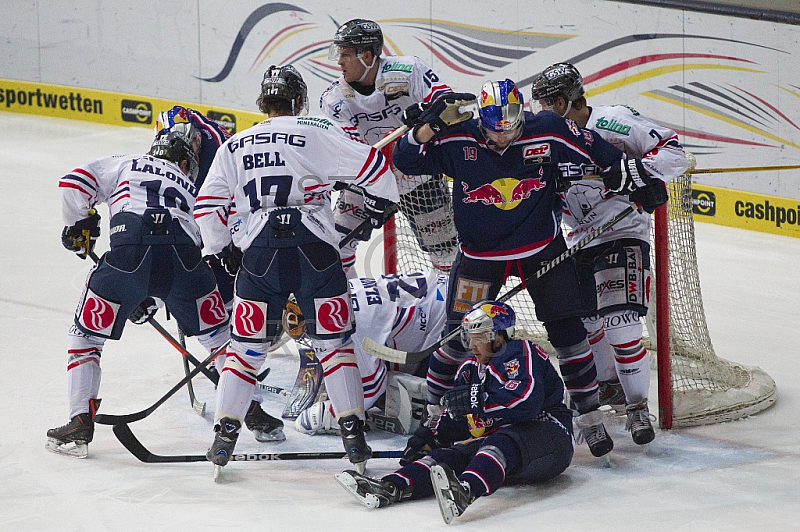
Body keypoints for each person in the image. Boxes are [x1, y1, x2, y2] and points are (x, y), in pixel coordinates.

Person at [392, 78, 627, 459]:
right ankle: (434, 415)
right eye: (494, 131)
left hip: (541, 248)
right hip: (481, 256)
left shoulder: (546, 129)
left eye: (511, 129)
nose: (503, 139)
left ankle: (588, 415)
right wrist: (429, 127)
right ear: (480, 120)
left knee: (569, 330)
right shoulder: (457, 137)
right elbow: (405, 159)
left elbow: (596, 149)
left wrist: (626, 174)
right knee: (457, 336)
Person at [194, 64, 399, 472]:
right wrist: (380, 203)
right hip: (316, 253)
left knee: (246, 349)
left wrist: (225, 249)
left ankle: (224, 438)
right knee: (333, 344)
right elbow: (375, 168)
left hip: (260, 256)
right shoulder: (315, 128)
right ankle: (354, 438)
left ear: (263, 102)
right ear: (298, 100)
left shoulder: (235, 144)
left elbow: (206, 208)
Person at [47, 120, 230, 458]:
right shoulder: (194, 188)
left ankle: (79, 419)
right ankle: (253, 411)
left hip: (127, 254)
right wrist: (155, 293)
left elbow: (74, 183)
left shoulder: (126, 163)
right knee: (219, 335)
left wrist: (80, 223)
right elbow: (201, 234)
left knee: (85, 335)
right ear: (186, 162)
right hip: (186, 262)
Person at [530, 62, 688, 444]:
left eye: (545, 103)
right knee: (584, 325)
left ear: (565, 101)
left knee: (620, 323)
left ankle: (637, 408)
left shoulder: (613, 122)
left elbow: (674, 153)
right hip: (578, 239)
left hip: (622, 230)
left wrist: (636, 173)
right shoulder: (545, 137)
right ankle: (606, 388)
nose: (539, 112)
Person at [335, 301, 574, 525]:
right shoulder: (469, 371)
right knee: (449, 456)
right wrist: (429, 435)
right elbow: (464, 421)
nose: (470, 346)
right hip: (507, 455)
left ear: (497, 337)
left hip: (550, 437)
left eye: (477, 338)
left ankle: (465, 491)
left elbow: (526, 402)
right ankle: (391, 487)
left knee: (499, 442)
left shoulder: (519, 352)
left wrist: (477, 401)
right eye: (468, 338)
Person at [134, 105, 286, 442]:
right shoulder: (168, 156)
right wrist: (149, 292)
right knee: (209, 316)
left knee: (241, 306)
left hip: (235, 231)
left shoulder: (223, 151)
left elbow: (227, 213)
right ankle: (249, 400)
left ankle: (248, 359)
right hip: (197, 246)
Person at [320, 18, 458, 276]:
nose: (339, 62)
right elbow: (353, 155)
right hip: (366, 181)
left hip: (419, 180)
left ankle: (447, 314)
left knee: (447, 257)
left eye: (346, 55)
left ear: (368, 56)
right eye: (339, 54)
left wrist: (426, 114)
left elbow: (446, 104)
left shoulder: (408, 71)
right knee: (335, 248)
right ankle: (349, 309)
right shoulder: (334, 99)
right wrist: (374, 190)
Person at [294, 270, 448, 436]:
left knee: (435, 400)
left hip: (449, 320)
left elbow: (366, 395)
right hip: (445, 290)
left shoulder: (349, 328)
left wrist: (323, 412)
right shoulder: (339, 293)